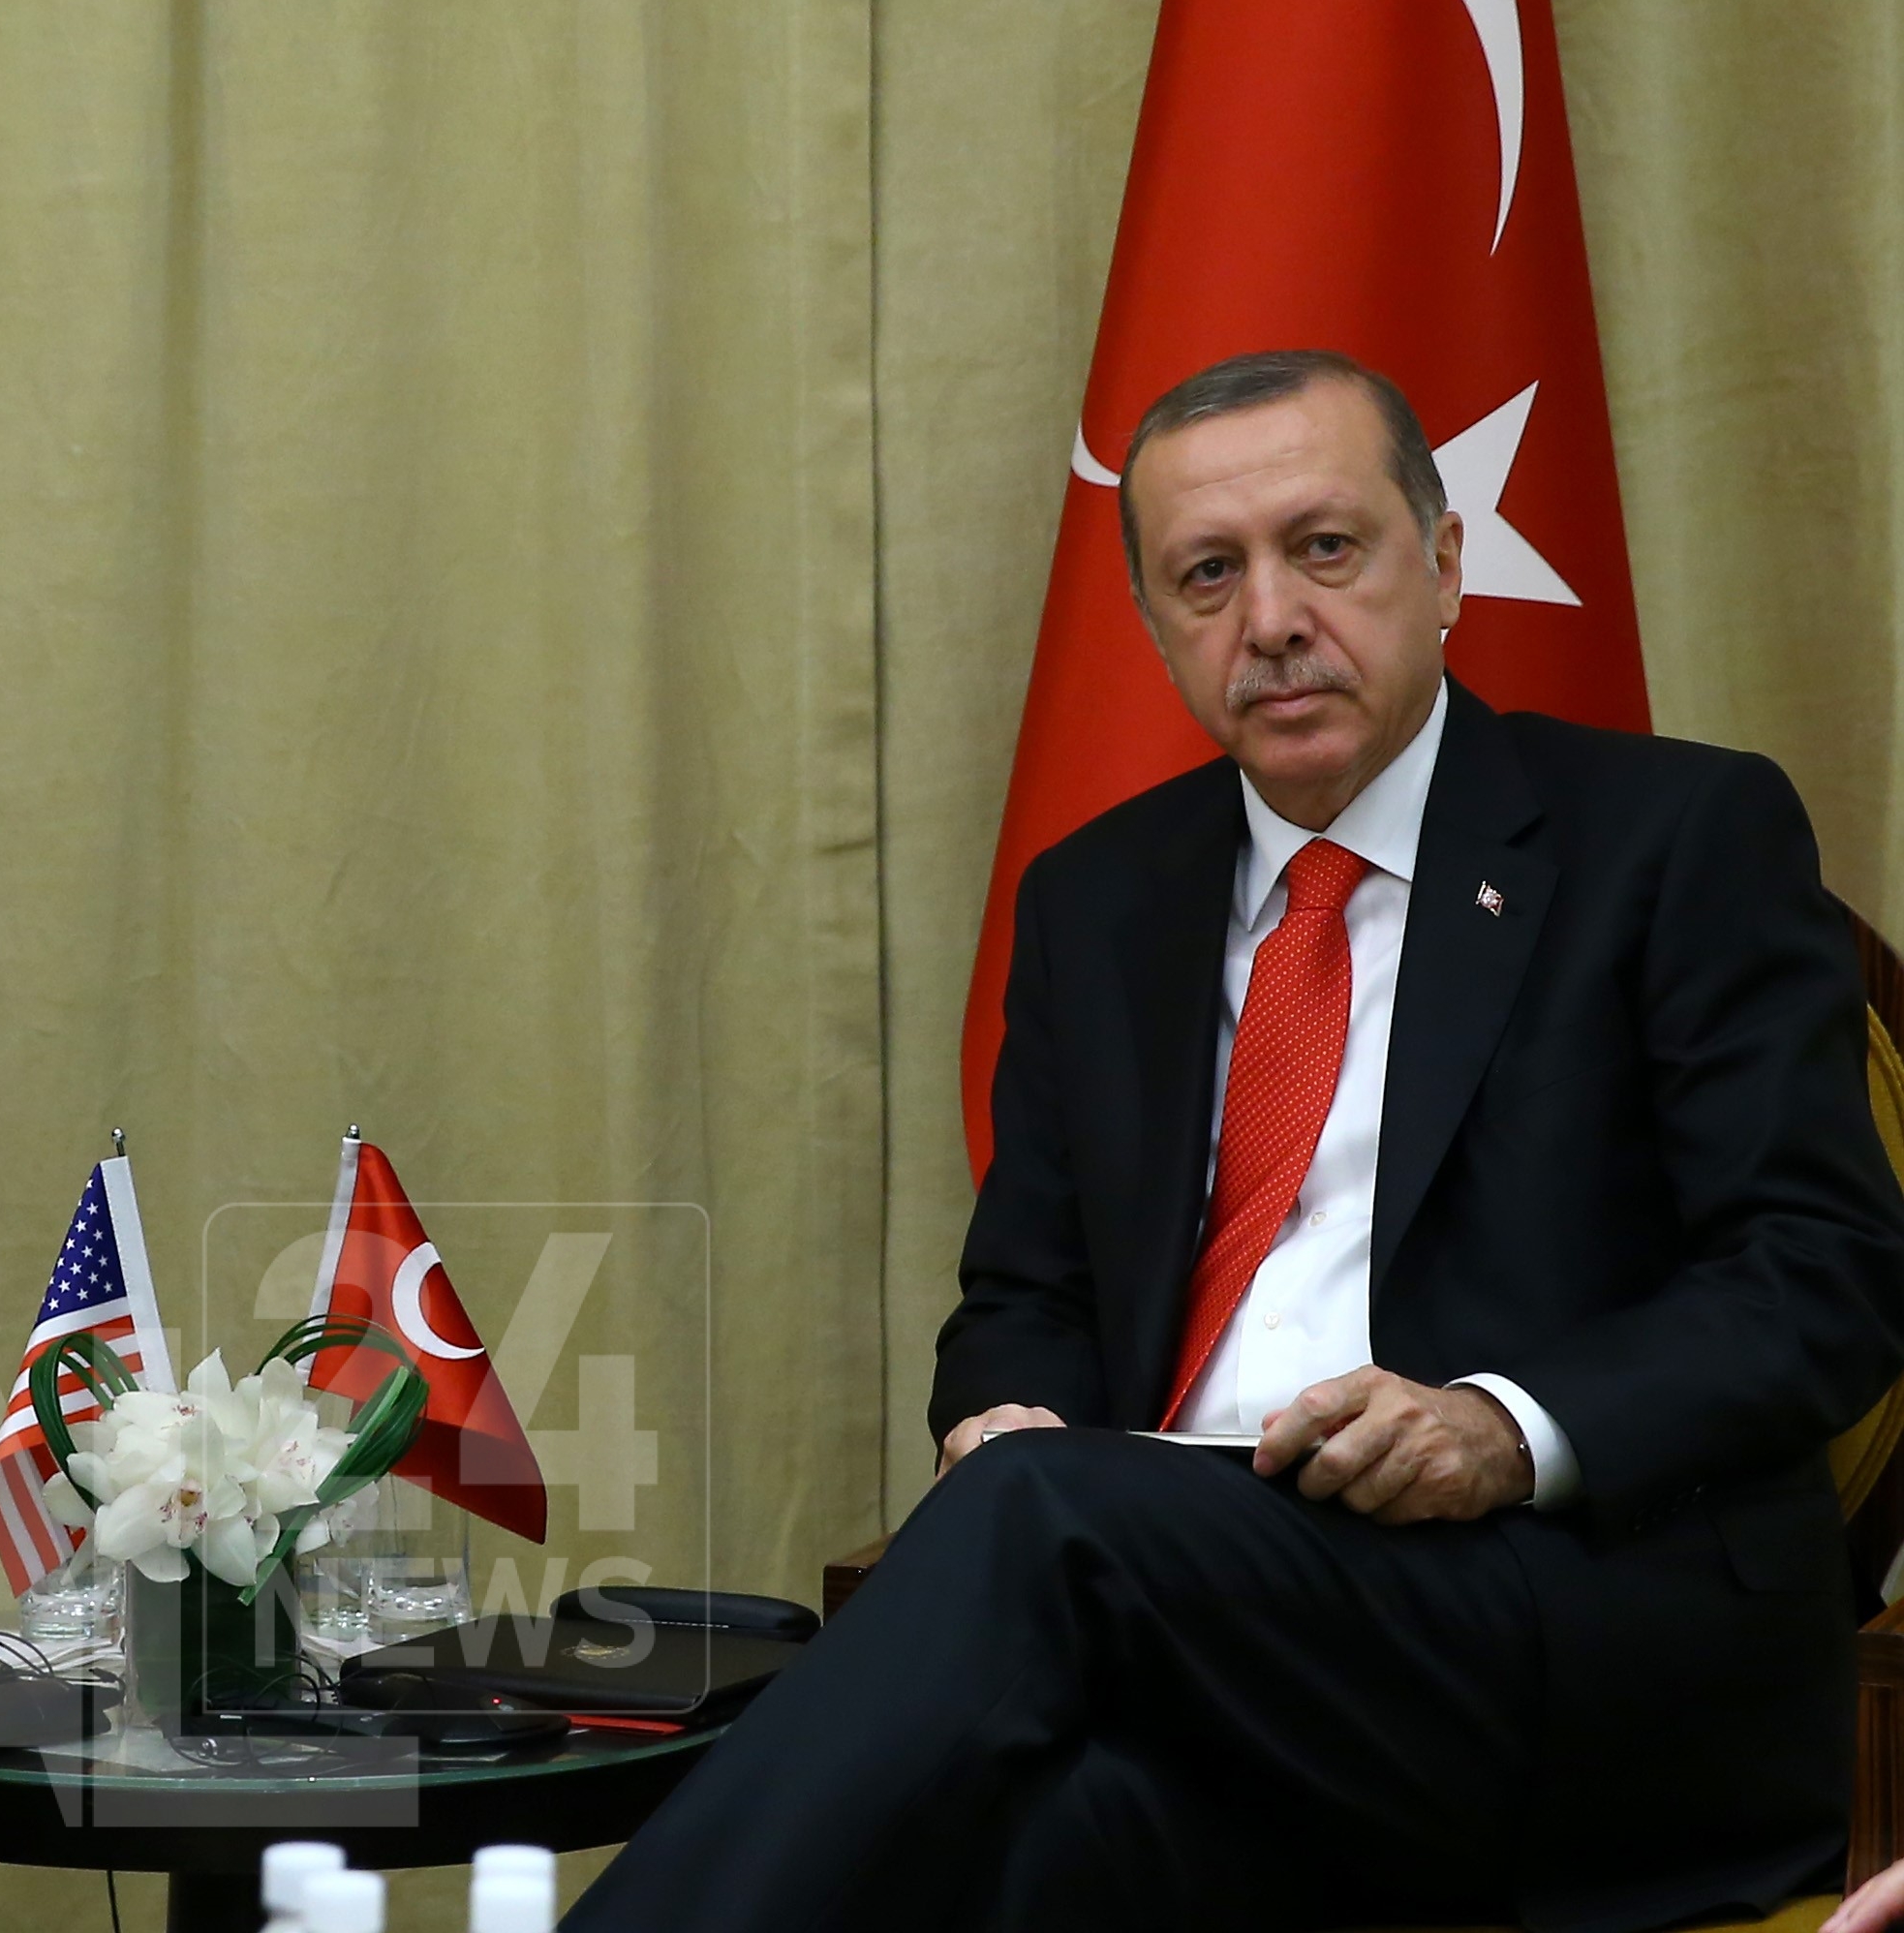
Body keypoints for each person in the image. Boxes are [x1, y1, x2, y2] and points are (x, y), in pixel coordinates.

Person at [568, 350, 1904, 1933]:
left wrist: (1502, 1426)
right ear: (1154, 624)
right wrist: (1004, 1415)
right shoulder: (1099, 900)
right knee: (1035, 1842)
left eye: (1324, 548)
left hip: (1554, 1623)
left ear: (1445, 564)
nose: (1269, 618)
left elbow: (1821, 1273)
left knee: (1031, 1532)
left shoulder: (1673, 837)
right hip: (1192, 1626)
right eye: (1208, 575)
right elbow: (1028, 1296)